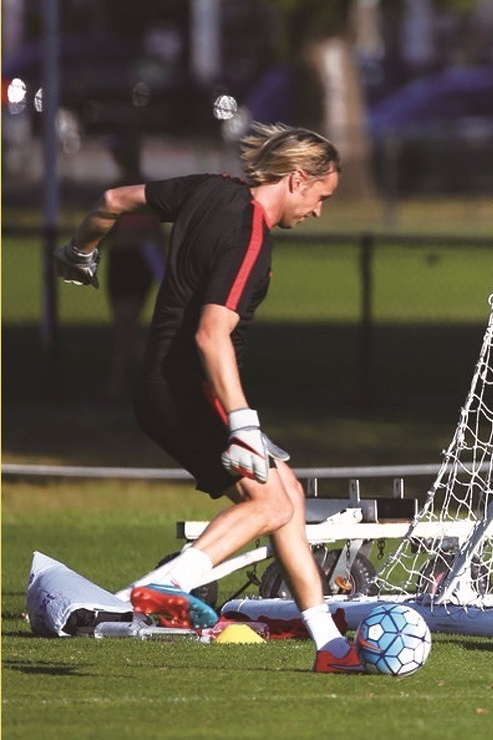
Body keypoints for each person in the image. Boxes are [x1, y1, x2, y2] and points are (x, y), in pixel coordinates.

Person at [54, 122, 364, 673]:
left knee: (286, 494)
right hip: (188, 387)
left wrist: (80, 250)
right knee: (269, 503)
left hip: (167, 385)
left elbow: (113, 200)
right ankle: (161, 587)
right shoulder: (249, 231)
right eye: (321, 197)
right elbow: (210, 332)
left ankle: (329, 646)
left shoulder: (209, 188)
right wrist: (243, 423)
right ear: (296, 180)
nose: (318, 211)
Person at [100, 134, 165, 401]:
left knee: (127, 323)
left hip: (138, 261)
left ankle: (157, 381)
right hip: (120, 260)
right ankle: (120, 389)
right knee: (124, 327)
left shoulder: (145, 190)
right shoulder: (115, 190)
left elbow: (155, 233)